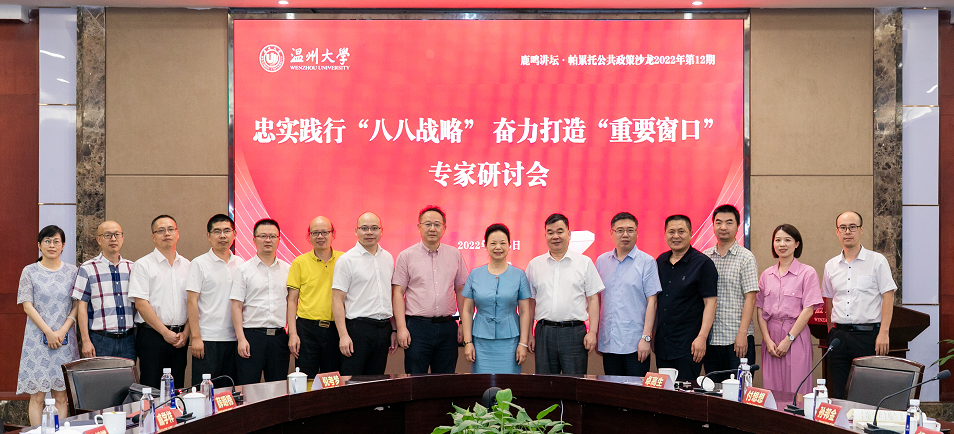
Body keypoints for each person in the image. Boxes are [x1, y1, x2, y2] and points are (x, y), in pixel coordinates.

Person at [822, 211, 897, 399]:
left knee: (867, 394)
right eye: (843, 228)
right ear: (837, 232)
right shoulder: (831, 265)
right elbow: (828, 300)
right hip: (838, 338)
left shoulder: (877, 261)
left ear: (861, 230)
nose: (848, 232)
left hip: (868, 337)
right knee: (839, 393)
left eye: (852, 227)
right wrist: (831, 332)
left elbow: (888, 295)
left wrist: (884, 332)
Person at [392, 206, 469, 374]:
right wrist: (401, 327)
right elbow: (398, 293)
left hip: (448, 327)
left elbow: (461, 290)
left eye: (437, 224)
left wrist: (464, 323)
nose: (432, 228)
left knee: (445, 380)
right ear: (419, 227)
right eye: (427, 224)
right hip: (417, 328)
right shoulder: (406, 256)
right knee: (415, 379)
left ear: (444, 228)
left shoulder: (455, 254)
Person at [526, 213, 604, 375]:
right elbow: (530, 302)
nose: (555, 236)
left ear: (569, 234)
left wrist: (592, 332)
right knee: (545, 384)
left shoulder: (584, 263)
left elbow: (593, 299)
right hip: (544, 332)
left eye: (560, 231)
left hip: (574, 333)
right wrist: (528, 334)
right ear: (545, 235)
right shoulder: (535, 265)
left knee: (574, 384)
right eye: (550, 232)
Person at [17, 225, 79, 426]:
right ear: (39, 245)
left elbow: (77, 305)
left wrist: (62, 331)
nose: (52, 245)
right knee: (37, 396)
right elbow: (27, 306)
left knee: (61, 395)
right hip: (37, 340)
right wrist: (48, 332)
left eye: (56, 241)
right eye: (47, 241)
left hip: (64, 339)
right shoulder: (30, 271)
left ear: (63, 246)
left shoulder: (73, 272)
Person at [756, 224, 823, 395]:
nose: (782, 244)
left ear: (797, 244)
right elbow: (760, 310)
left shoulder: (807, 273)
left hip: (796, 335)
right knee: (772, 390)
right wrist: (767, 339)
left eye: (787, 240)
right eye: (777, 240)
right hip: (771, 338)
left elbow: (808, 310)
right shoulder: (766, 275)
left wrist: (788, 339)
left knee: (797, 391)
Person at [595, 212, 661, 377]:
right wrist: (596, 334)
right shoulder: (601, 261)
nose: (625, 235)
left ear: (637, 233)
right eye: (620, 230)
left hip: (636, 344)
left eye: (630, 230)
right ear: (611, 233)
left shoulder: (647, 262)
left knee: (635, 390)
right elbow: (596, 301)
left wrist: (646, 338)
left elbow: (652, 302)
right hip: (609, 341)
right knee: (612, 388)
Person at [129, 215, 191, 389]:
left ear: (177, 234)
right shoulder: (143, 265)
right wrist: (165, 332)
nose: (167, 234)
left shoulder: (187, 265)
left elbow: (193, 303)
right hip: (153, 336)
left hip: (180, 338)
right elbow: (141, 304)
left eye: (171, 229)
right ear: (153, 237)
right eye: (161, 230)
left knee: (176, 388)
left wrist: (186, 333)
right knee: (152, 389)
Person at [460, 223, 532, 374]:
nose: (498, 247)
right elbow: (467, 310)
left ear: (509, 245)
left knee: (508, 385)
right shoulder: (475, 274)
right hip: (480, 342)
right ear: (485, 246)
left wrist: (523, 343)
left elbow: (525, 311)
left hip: (511, 341)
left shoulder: (519, 275)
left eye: (502, 243)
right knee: (482, 384)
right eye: (493, 243)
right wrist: (468, 342)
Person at [332, 212, 397, 375]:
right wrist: (343, 335)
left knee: (376, 381)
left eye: (374, 228)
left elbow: (391, 295)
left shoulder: (388, 258)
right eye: (364, 228)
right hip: (357, 330)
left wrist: (394, 330)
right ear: (356, 231)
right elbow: (337, 300)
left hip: (384, 329)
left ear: (381, 231)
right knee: (352, 381)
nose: (369, 232)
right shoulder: (346, 260)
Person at [654, 215, 717, 382]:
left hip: (689, 344)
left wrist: (702, 337)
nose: (676, 236)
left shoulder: (703, 264)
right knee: (665, 391)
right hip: (663, 343)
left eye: (681, 231)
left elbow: (710, 303)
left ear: (691, 233)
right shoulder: (660, 261)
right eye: (671, 232)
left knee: (685, 391)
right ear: (665, 234)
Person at [702, 205, 758, 382]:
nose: (723, 227)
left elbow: (750, 298)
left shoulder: (746, 257)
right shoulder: (705, 257)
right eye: (718, 222)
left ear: (738, 226)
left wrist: (742, 334)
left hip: (737, 340)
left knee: (740, 391)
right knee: (714, 391)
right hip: (712, 339)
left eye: (729, 222)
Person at [231, 219, 291, 385]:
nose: (268, 240)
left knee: (278, 388)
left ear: (279, 239)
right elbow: (236, 306)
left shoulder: (288, 269)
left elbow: (291, 304)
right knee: (248, 386)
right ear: (254, 239)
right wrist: (241, 339)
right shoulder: (244, 270)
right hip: (252, 337)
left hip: (279, 338)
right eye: (263, 236)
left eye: (272, 236)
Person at [186, 214, 244, 387]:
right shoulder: (199, 263)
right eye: (217, 231)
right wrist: (196, 337)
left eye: (227, 231)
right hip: (207, 339)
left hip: (234, 339)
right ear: (208, 236)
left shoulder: (241, 264)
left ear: (234, 234)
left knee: (229, 391)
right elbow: (191, 301)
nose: (222, 236)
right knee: (204, 392)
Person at [287, 216, 343, 377]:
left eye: (325, 232)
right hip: (306, 330)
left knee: (332, 380)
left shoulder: (344, 260)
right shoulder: (299, 262)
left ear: (333, 234)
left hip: (335, 329)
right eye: (315, 233)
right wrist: (293, 334)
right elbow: (292, 301)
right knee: (305, 379)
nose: (320, 236)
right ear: (309, 236)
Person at [71, 221, 136, 360]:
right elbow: (82, 307)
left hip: (128, 340)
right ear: (98, 240)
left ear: (122, 238)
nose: (113, 239)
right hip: (100, 340)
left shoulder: (132, 268)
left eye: (117, 234)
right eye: (107, 235)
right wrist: (86, 341)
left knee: (128, 375)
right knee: (101, 375)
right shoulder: (87, 268)